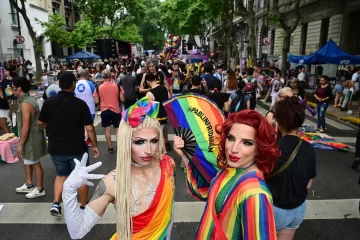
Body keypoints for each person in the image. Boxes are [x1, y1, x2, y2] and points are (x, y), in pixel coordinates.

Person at [62, 98, 176, 239]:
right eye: (139, 142)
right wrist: (68, 189)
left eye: (153, 141)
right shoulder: (112, 182)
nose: (148, 150)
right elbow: (77, 231)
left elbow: (168, 214)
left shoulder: (168, 164)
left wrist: (184, 156)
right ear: (125, 140)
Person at [174, 110, 280, 239]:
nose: (234, 149)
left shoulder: (255, 194)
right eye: (231, 138)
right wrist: (186, 157)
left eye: (247, 143)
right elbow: (204, 193)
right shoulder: (231, 170)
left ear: (260, 148)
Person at [38, 71, 99, 216]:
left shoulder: (49, 101)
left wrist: (51, 125)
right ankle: (83, 206)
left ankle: (56, 204)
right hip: (76, 146)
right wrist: (95, 145)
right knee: (81, 176)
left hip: (56, 146)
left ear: (59, 83)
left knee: (61, 175)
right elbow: (89, 128)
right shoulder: (80, 104)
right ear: (73, 84)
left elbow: (41, 121)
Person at [267, 96, 317, 240]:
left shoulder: (273, 149)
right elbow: (309, 181)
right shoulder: (308, 148)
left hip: (275, 209)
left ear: (279, 122)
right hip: (298, 209)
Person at [14, 77, 47, 198]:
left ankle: (40, 188)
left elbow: (26, 126)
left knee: (34, 162)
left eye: (13, 87)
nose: (11, 90)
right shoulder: (26, 100)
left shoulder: (26, 103)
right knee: (28, 160)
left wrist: (20, 144)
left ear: (19, 89)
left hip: (31, 137)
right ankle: (29, 184)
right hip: (30, 136)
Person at [94, 69, 125, 153]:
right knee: (117, 129)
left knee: (107, 129)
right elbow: (122, 99)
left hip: (104, 110)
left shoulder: (98, 88)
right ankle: (119, 146)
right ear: (111, 76)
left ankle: (110, 147)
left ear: (102, 77)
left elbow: (96, 101)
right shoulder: (117, 86)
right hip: (116, 110)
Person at [75, 70, 96, 146]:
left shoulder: (75, 84)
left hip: (78, 108)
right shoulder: (90, 84)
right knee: (89, 125)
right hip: (90, 108)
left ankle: (83, 139)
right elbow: (95, 95)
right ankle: (88, 139)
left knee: (81, 125)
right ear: (87, 75)